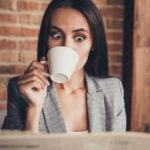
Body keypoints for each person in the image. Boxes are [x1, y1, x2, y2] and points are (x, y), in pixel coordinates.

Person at [2, 0, 126, 133]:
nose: (66, 46)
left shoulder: (112, 90)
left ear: (93, 44)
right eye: (57, 35)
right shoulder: (21, 90)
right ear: (46, 40)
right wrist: (34, 108)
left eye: (79, 37)